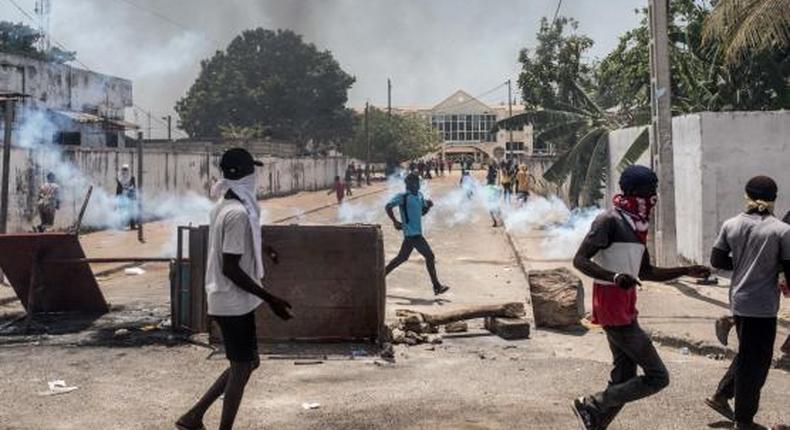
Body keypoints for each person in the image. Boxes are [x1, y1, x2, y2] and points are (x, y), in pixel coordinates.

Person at [571, 165, 710, 430]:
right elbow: (579, 260)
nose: (654, 194)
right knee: (658, 377)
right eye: (651, 188)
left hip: (626, 306)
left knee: (624, 377)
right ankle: (591, 403)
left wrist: (686, 271)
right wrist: (614, 277)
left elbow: (646, 272)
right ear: (634, 190)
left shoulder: (637, 225)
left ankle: (595, 420)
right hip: (612, 308)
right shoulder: (608, 220)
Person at [177, 148, 293, 430]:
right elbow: (230, 267)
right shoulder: (239, 212)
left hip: (230, 300)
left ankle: (193, 417)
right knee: (242, 366)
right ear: (244, 175)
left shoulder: (224, 206)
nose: (256, 175)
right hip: (232, 302)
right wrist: (270, 298)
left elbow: (233, 243)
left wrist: (262, 248)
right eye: (252, 170)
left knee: (248, 363)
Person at [704, 176, 790, 430]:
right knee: (756, 365)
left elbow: (717, 260)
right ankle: (744, 420)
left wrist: (742, 265)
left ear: (747, 196)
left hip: (739, 301)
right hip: (762, 306)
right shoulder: (781, 231)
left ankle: (722, 395)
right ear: (774, 198)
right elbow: (788, 267)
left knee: (749, 355)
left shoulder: (731, 224)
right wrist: (769, 268)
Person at [384, 173, 449, 295]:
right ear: (409, 184)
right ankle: (436, 286)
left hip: (415, 233)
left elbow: (421, 213)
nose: (418, 184)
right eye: (416, 182)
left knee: (401, 258)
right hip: (412, 234)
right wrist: (395, 222)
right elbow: (388, 206)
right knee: (429, 256)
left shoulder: (419, 196)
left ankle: (380, 275)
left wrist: (428, 207)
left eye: (418, 182)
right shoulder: (403, 197)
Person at [116, 164, 138, 230]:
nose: (124, 171)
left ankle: (132, 225)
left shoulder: (132, 178)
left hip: (130, 197)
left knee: (132, 211)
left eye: (126, 169)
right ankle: (121, 226)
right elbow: (118, 190)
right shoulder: (119, 178)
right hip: (122, 197)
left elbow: (134, 188)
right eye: (123, 169)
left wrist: (134, 197)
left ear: (128, 170)